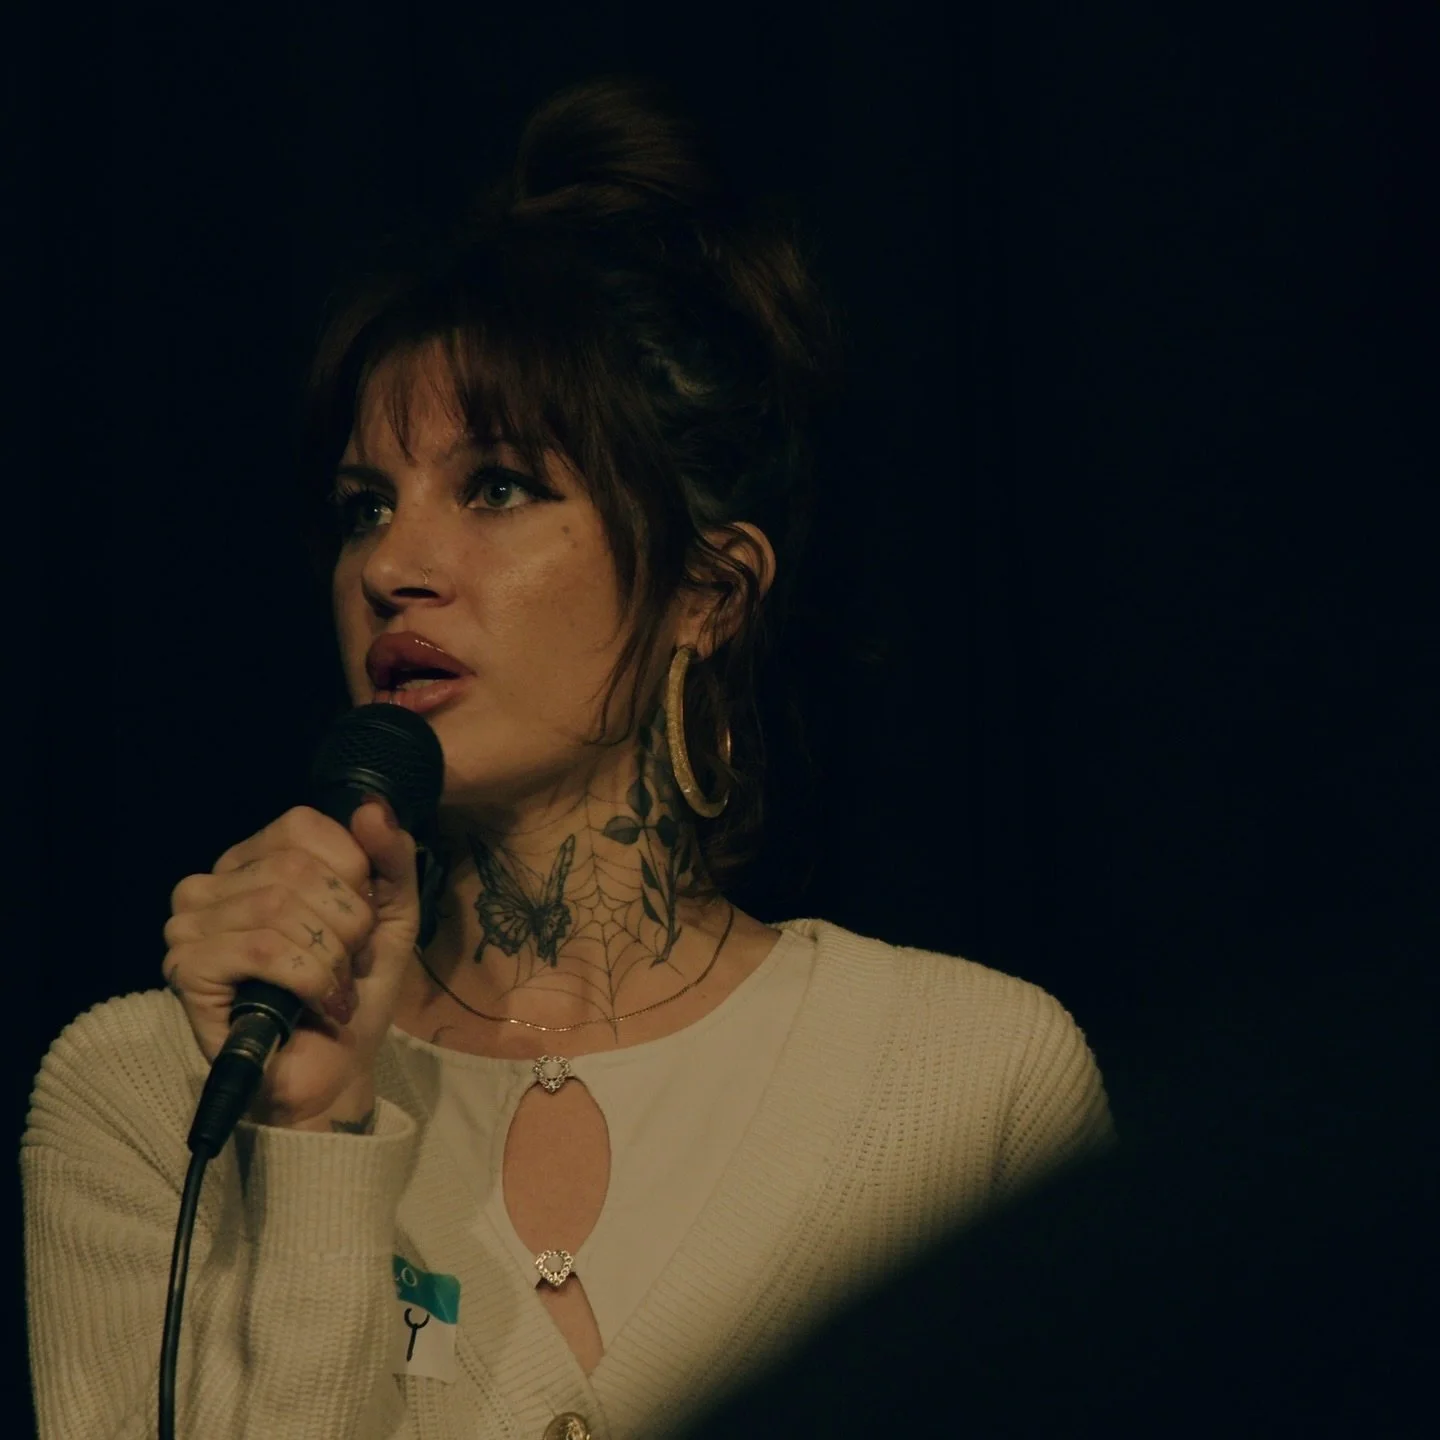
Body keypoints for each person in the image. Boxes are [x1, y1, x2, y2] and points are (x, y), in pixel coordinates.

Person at [24, 77, 1115, 1439]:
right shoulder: (149, 1089)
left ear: (708, 592)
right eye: (365, 507)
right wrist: (308, 1141)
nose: (393, 567)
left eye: (496, 488)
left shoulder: (970, 1082)